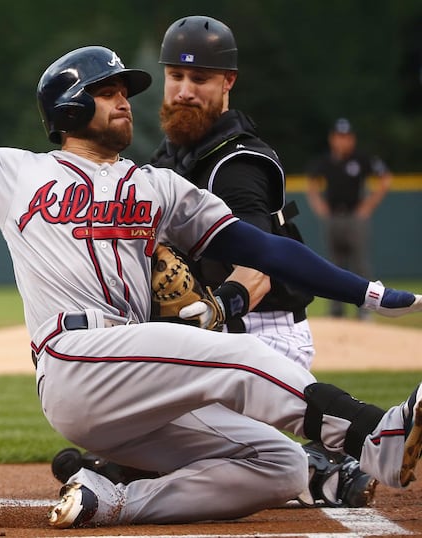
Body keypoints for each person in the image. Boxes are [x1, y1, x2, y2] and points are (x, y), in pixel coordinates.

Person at [0, 28, 422, 530]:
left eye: (124, 92)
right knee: (237, 356)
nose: (124, 101)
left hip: (137, 377)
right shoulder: (16, 174)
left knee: (280, 467)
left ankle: (111, 500)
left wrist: (365, 291)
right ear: (67, 108)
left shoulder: (157, 186)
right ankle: (375, 435)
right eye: (106, 92)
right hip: (74, 358)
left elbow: (263, 246)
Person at [51, 15, 374, 509]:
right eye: (176, 77)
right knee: (146, 418)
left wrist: (221, 304)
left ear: (228, 83)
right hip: (219, 331)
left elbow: (258, 268)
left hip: (260, 334)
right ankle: (128, 466)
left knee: (194, 436)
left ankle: (322, 472)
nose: (183, 90)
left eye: (199, 78)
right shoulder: (168, 159)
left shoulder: (236, 163)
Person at [306, 118, 392, 320]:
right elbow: (311, 181)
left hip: (355, 217)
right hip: (334, 217)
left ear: (352, 139)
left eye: (346, 137)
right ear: (332, 139)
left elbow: (385, 178)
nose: (343, 141)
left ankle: (366, 311)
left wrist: (368, 205)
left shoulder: (361, 159)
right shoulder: (325, 161)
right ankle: (336, 311)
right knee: (334, 265)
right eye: (339, 137)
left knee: (360, 264)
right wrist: (319, 205)